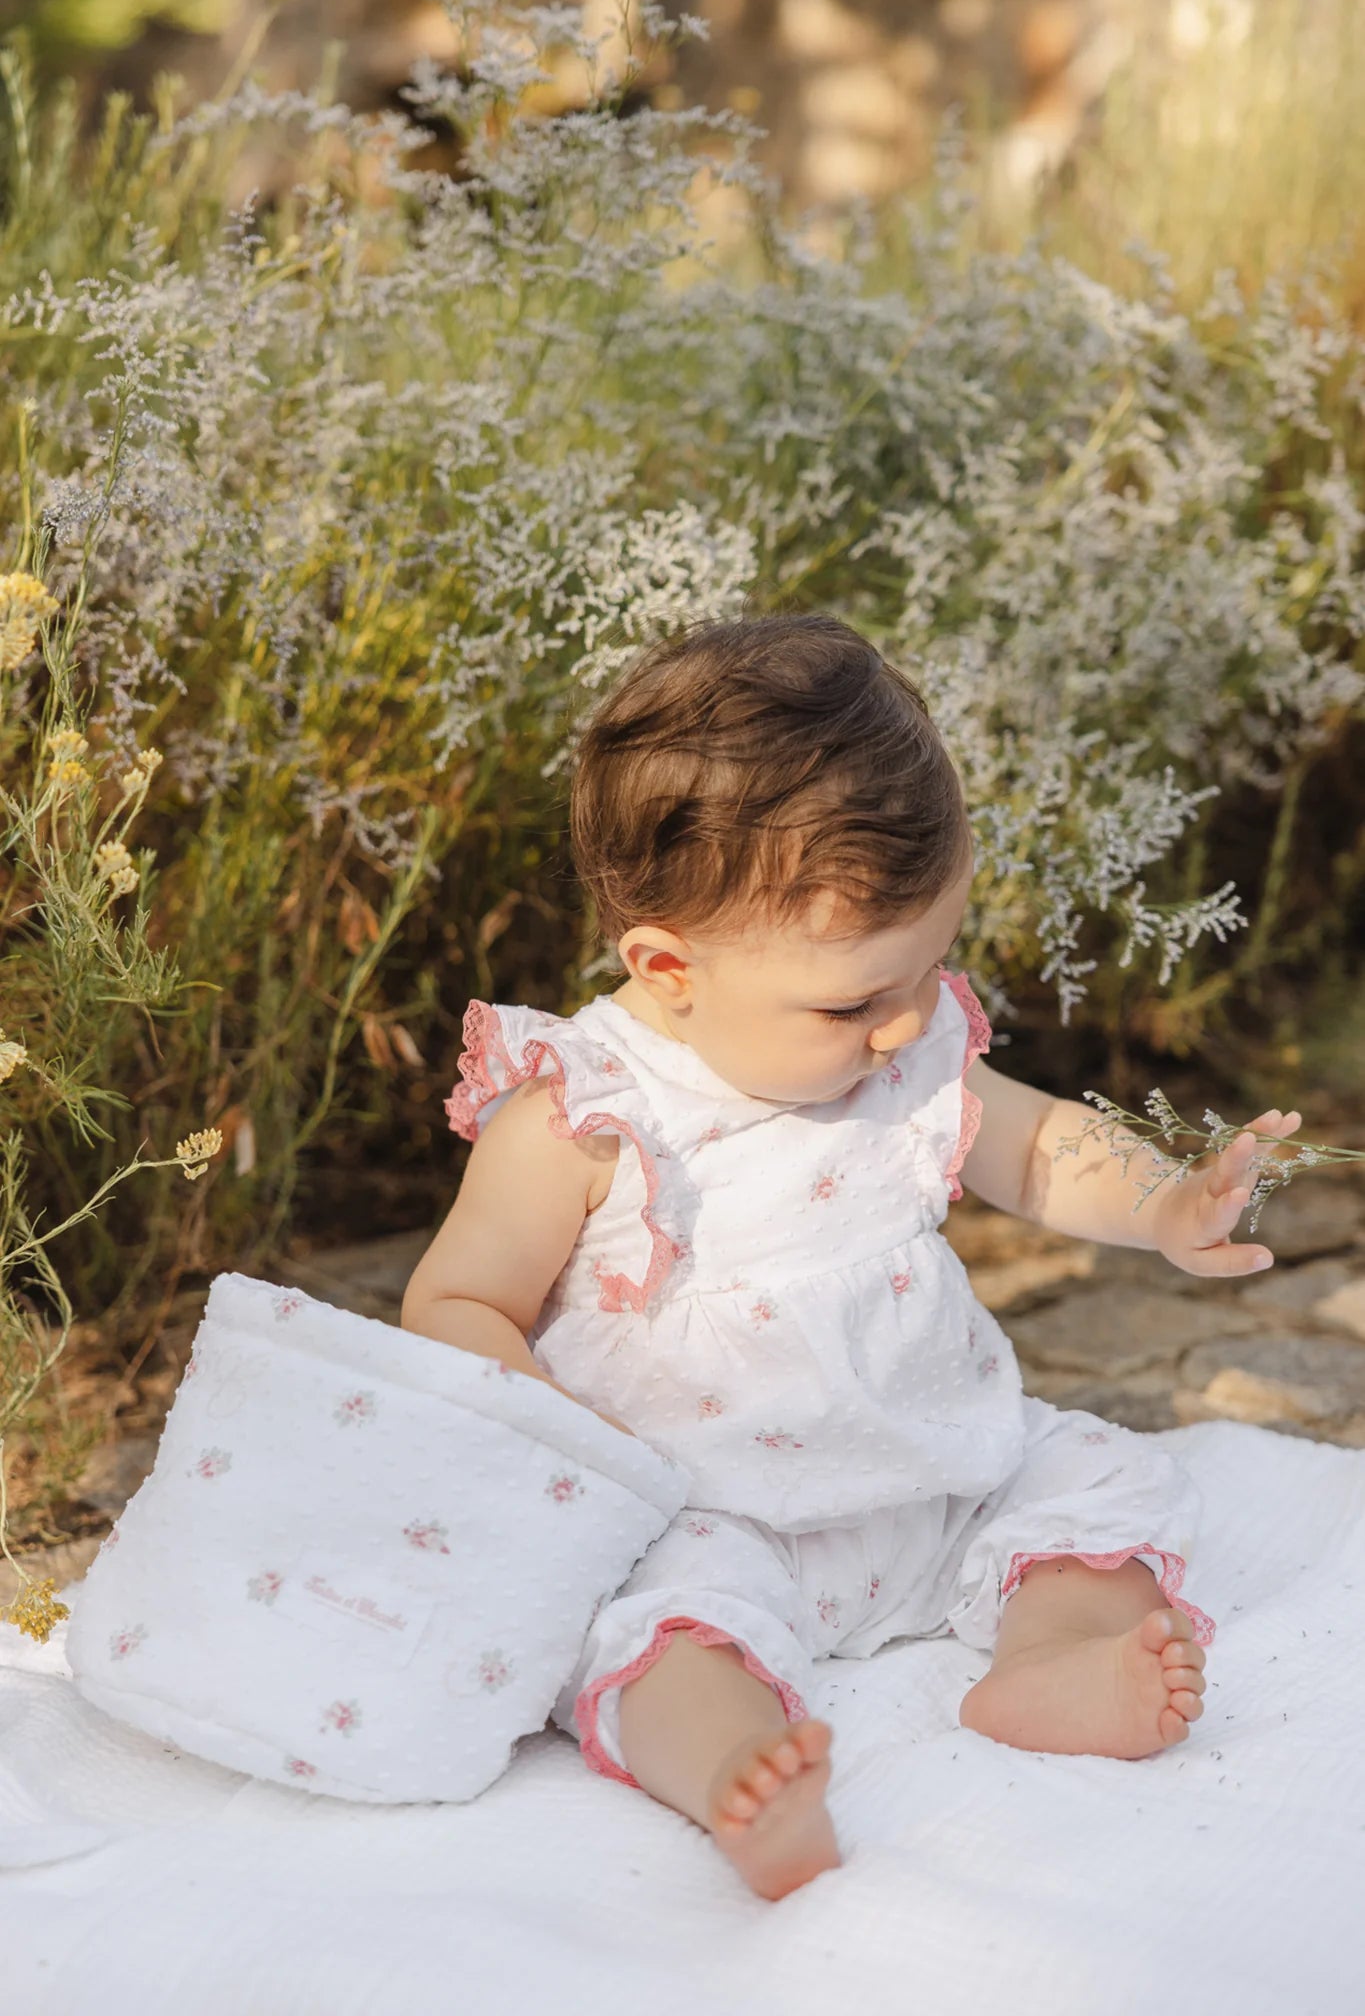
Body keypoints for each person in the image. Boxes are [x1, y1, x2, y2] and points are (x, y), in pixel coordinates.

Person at [402, 613, 1297, 1902]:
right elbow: (458, 1297)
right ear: (669, 967)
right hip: (696, 1511)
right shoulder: (587, 1113)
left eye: (930, 967)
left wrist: (1165, 1202)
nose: (904, 1025)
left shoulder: (907, 1042)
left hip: (937, 1474)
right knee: (651, 1635)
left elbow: (1038, 1147)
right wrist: (563, 1439)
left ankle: (1049, 1663)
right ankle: (739, 1774)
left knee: (1093, 1488)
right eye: (854, 1001)